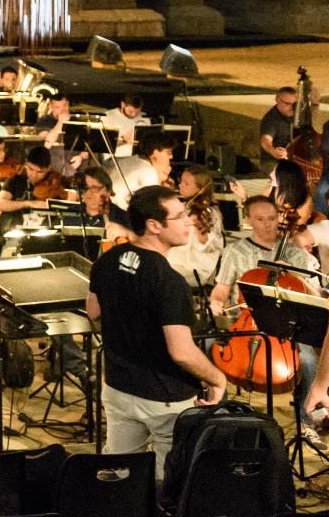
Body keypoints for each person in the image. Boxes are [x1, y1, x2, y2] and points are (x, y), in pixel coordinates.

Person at [86, 185, 226, 475]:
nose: (188, 221)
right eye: (179, 216)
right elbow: (182, 352)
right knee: (168, 481)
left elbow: (94, 312)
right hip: (163, 398)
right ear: (154, 225)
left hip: (117, 387)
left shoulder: (107, 259)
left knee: (122, 475)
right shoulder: (169, 281)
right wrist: (217, 378)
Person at [209, 195, 324, 450]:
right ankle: (219, 417)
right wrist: (216, 301)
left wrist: (294, 275)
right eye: (260, 219)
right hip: (246, 321)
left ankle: (307, 423)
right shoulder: (235, 250)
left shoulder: (294, 252)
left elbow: (315, 296)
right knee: (209, 351)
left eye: (272, 218)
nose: (267, 225)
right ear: (248, 219)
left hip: (287, 326)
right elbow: (221, 288)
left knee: (307, 359)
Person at [0, 145, 68, 214]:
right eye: (31, 169)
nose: (34, 175)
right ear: (26, 164)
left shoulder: (55, 181)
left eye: (40, 172)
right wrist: (28, 203)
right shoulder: (15, 180)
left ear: (48, 168)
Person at [261, 85, 301, 167]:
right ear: (277, 99)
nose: (291, 107)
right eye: (287, 103)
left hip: (294, 157)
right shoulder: (271, 119)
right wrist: (272, 151)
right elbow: (265, 140)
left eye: (294, 104)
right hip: (274, 161)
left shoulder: (297, 113)